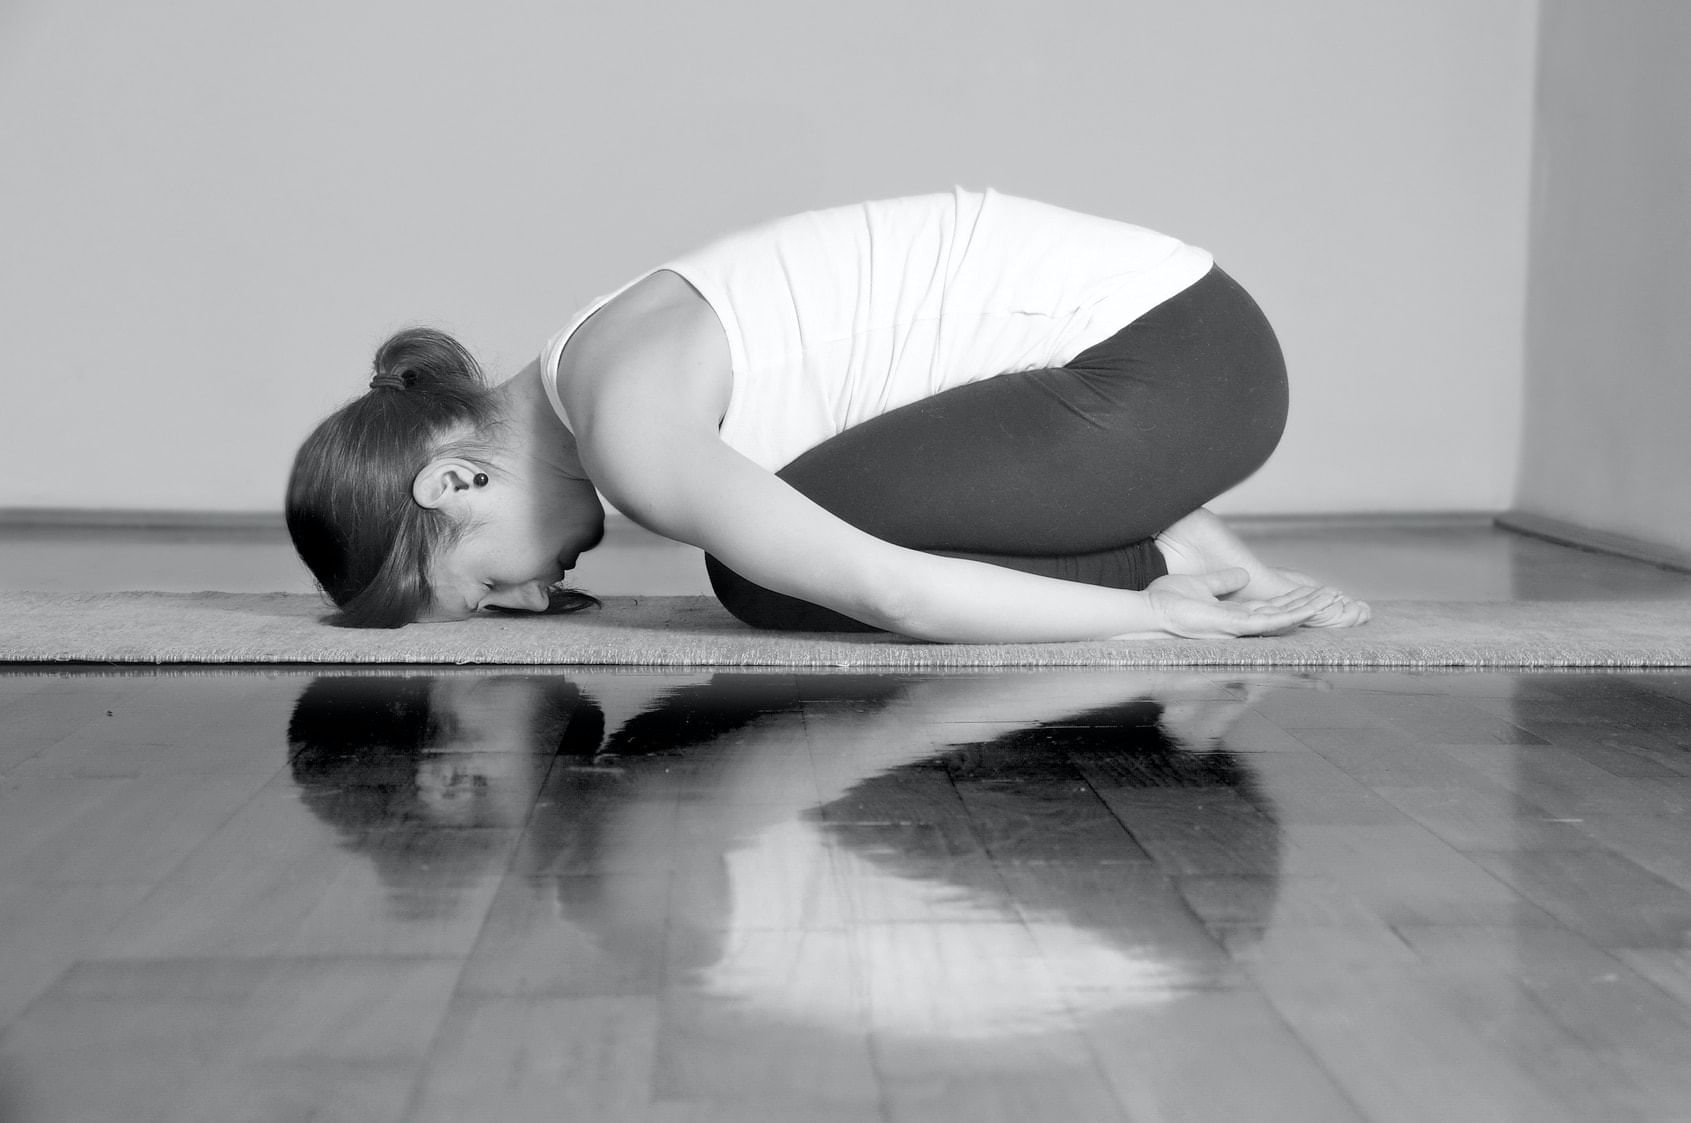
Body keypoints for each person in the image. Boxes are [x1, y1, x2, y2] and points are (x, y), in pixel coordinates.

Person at [286, 188, 1370, 640]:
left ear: (457, 482)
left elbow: (882, 585)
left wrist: (1152, 620)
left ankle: (1169, 555)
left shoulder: (625, 421)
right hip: (1194, 352)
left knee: (759, 569)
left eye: (481, 587)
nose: (530, 603)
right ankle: (1165, 531)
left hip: (1167, 366)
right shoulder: (594, 351)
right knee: (776, 532)